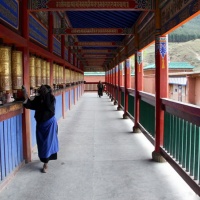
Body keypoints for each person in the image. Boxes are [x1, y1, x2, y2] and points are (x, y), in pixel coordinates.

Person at [22, 85, 59, 173]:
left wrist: (46, 95)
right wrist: (25, 95)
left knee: (48, 143)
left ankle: (46, 163)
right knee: (41, 143)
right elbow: (29, 105)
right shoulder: (38, 99)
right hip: (40, 124)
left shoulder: (51, 98)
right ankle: (44, 159)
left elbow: (50, 108)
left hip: (49, 123)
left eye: (44, 91)